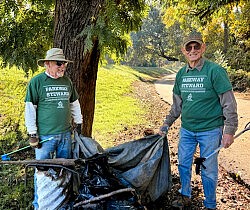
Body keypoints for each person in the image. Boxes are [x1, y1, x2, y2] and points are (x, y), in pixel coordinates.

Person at [159, 31, 238, 210]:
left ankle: (210, 204)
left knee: (208, 168)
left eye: (196, 46)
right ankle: (185, 195)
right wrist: (166, 124)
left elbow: (229, 104)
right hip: (187, 130)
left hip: (210, 130)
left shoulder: (215, 71)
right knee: (183, 163)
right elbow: (177, 106)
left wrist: (229, 131)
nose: (193, 50)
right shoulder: (181, 74)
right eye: (189, 47)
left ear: (203, 48)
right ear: (184, 51)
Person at [24, 48, 83, 209]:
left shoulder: (67, 82)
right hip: (45, 137)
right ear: (47, 64)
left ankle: (62, 202)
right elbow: (30, 108)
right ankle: (40, 205)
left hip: (65, 135)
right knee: (42, 172)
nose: (62, 66)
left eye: (64, 63)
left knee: (65, 170)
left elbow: (74, 103)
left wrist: (78, 123)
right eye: (59, 63)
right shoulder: (37, 82)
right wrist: (33, 134)